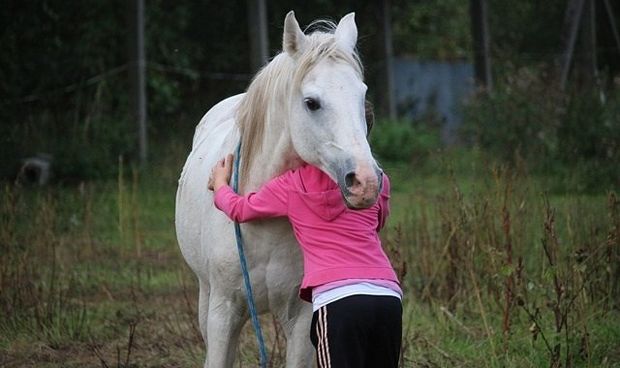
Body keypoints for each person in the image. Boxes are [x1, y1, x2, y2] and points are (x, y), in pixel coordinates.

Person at [208, 115, 401, 368]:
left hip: (337, 300)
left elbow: (241, 210)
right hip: (387, 295)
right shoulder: (377, 181)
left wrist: (221, 184)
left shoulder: (293, 184)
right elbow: (378, 222)